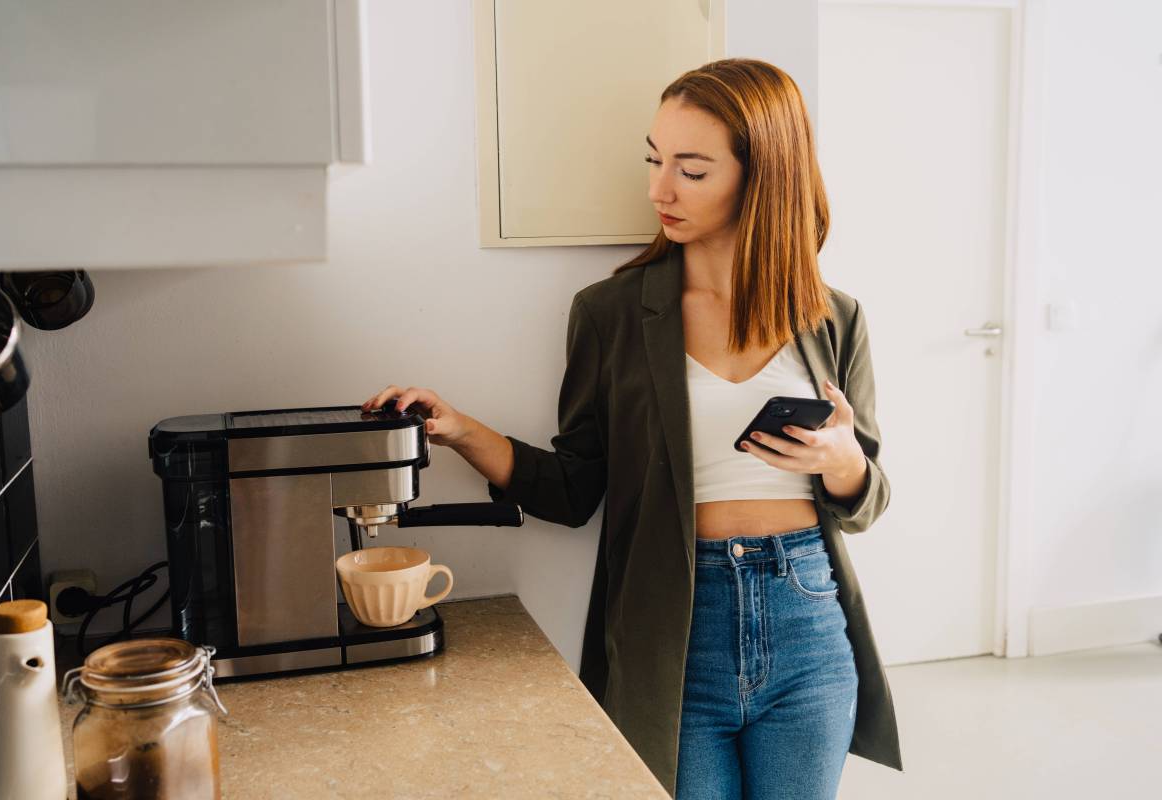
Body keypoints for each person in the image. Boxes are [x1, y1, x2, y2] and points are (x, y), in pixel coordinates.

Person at [362, 58, 901, 799]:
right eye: (655, 160)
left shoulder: (833, 318)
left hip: (806, 615)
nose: (659, 189)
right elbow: (573, 487)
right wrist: (459, 430)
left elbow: (868, 500)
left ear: (762, 175)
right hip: (671, 627)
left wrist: (842, 462)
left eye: (692, 169)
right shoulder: (611, 313)